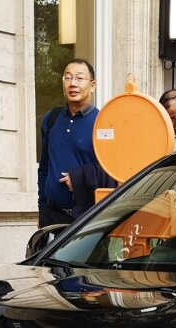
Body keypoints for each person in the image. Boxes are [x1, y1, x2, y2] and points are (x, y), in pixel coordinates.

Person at [38, 59, 113, 227]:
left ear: (92, 85)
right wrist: (41, 209)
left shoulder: (103, 123)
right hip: (51, 215)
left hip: (88, 218)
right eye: (68, 78)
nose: (73, 83)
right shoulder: (51, 119)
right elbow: (44, 168)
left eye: (79, 78)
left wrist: (79, 177)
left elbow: (112, 172)